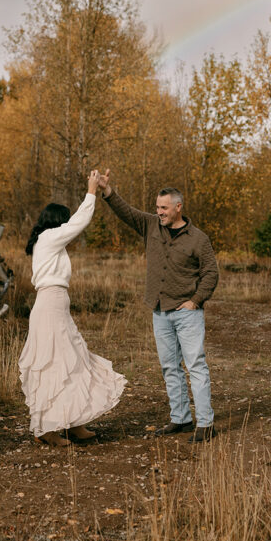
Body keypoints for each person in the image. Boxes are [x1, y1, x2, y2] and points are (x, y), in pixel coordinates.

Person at [97, 170, 219, 442]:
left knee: (196, 366)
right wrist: (107, 191)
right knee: (169, 367)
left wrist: (196, 301)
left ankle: (206, 424)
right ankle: (181, 419)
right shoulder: (151, 225)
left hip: (187, 314)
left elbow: (211, 273)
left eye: (164, 208)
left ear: (178, 207)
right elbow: (126, 212)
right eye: (157, 207)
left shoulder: (198, 238)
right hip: (159, 311)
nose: (159, 212)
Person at [19, 169, 126, 447]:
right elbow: (79, 222)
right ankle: (46, 428)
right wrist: (91, 190)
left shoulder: (51, 243)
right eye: (63, 221)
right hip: (50, 306)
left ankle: (74, 421)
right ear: (57, 222)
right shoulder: (49, 238)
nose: (67, 226)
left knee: (72, 359)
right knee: (54, 362)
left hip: (56, 306)